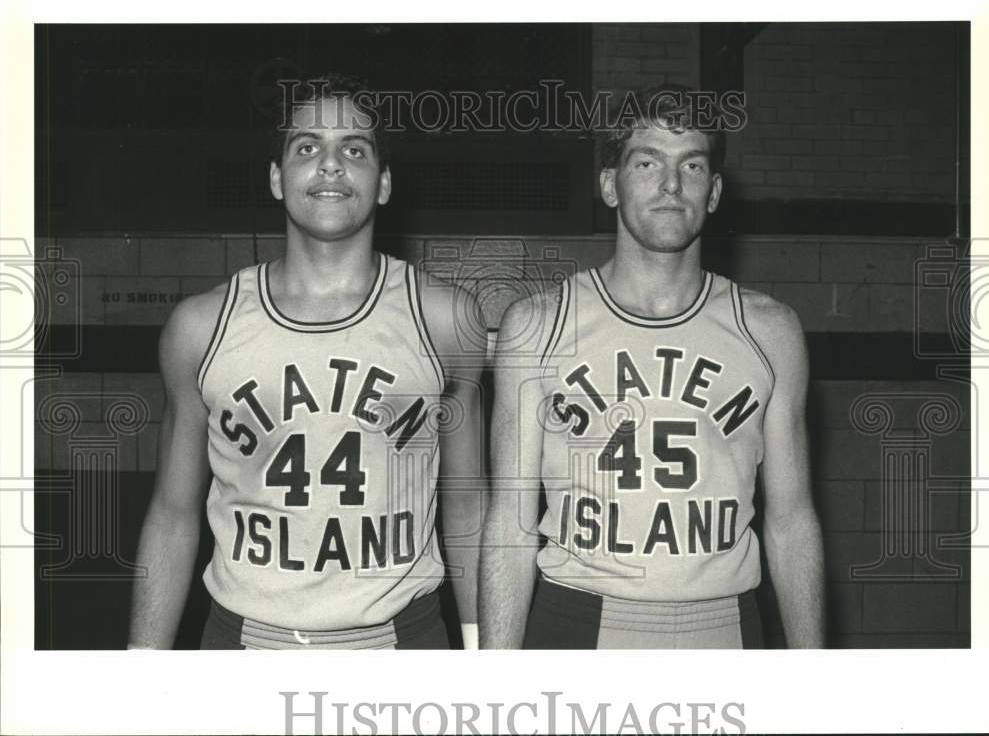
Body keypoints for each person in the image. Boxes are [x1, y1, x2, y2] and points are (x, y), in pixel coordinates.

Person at [129, 73, 486, 650]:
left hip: (403, 640)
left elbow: (467, 504)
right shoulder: (200, 328)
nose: (330, 164)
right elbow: (172, 513)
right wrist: (141, 664)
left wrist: (483, 656)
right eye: (306, 147)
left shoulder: (446, 320)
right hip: (242, 640)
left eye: (354, 149)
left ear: (385, 182)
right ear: (277, 178)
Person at [479, 85, 825, 649]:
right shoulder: (537, 324)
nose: (671, 184)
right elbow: (510, 524)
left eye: (691, 164)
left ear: (713, 193)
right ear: (610, 185)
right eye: (647, 162)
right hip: (576, 624)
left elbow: (791, 521)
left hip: (727, 628)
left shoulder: (770, 330)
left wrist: (815, 675)